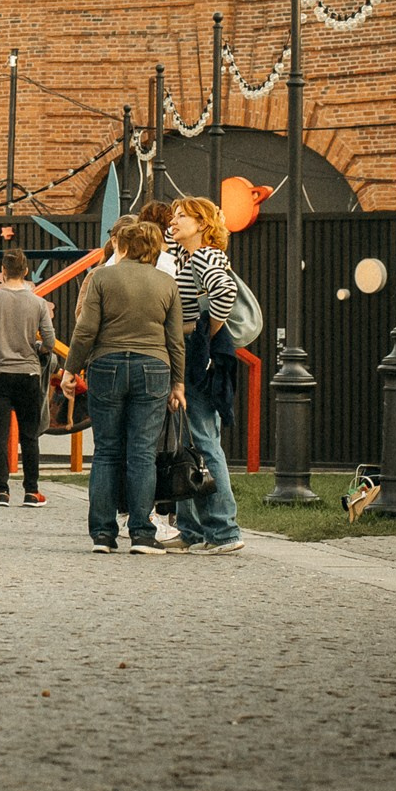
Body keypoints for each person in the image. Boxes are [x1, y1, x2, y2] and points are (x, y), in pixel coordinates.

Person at [63, 219, 185, 555]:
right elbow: (175, 340)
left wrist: (70, 369)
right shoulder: (166, 283)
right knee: (142, 453)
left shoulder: (102, 277)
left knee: (106, 452)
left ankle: (103, 534)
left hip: (106, 364)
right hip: (154, 367)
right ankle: (143, 534)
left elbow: (85, 329)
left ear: (124, 246)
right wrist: (178, 383)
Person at [169, 194, 245, 555]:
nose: (175, 220)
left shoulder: (204, 255)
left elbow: (224, 291)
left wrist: (207, 334)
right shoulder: (187, 255)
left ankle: (224, 530)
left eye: (182, 216)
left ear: (202, 224)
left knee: (202, 440)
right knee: (190, 439)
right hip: (190, 351)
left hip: (194, 352)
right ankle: (193, 528)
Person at [0, 250, 60, 509]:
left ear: (2, 270)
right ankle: (32, 491)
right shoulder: (36, 303)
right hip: (28, 374)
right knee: (29, 435)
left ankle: (2, 490)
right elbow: (50, 341)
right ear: (26, 271)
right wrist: (36, 347)